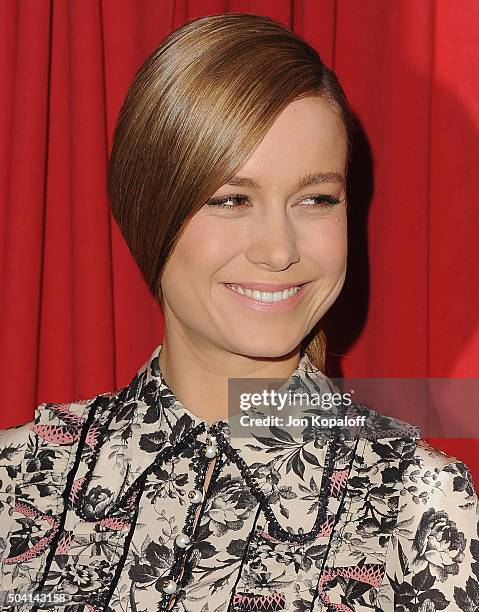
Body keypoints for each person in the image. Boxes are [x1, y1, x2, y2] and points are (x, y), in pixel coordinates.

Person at [1, 12, 478, 612]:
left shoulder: (418, 505)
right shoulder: (19, 482)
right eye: (231, 199)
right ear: (150, 214)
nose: (279, 250)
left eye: (316, 199)